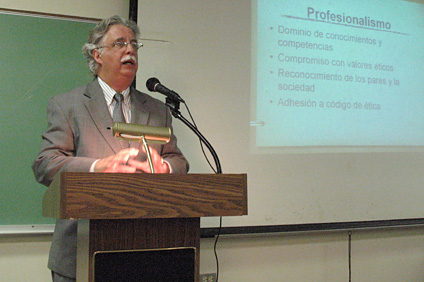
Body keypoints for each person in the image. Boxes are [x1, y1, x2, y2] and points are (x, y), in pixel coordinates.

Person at [32, 15, 189, 281]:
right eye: (120, 43)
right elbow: (45, 164)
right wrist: (97, 166)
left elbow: (179, 161)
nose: (130, 50)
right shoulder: (67, 105)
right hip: (82, 251)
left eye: (134, 44)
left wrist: (166, 167)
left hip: (147, 252)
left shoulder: (157, 109)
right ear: (98, 55)